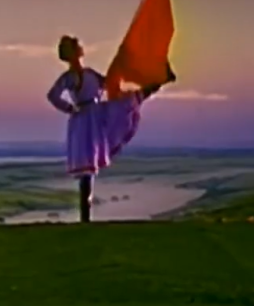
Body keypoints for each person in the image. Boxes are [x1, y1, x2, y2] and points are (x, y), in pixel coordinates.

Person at [46, 35, 175, 223]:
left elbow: (108, 83)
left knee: (129, 102)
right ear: (73, 53)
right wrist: (70, 108)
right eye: (77, 46)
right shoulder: (70, 77)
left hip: (96, 115)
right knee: (87, 173)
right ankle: (85, 218)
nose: (81, 47)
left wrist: (123, 65)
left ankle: (161, 80)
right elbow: (52, 95)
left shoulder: (89, 73)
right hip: (84, 123)